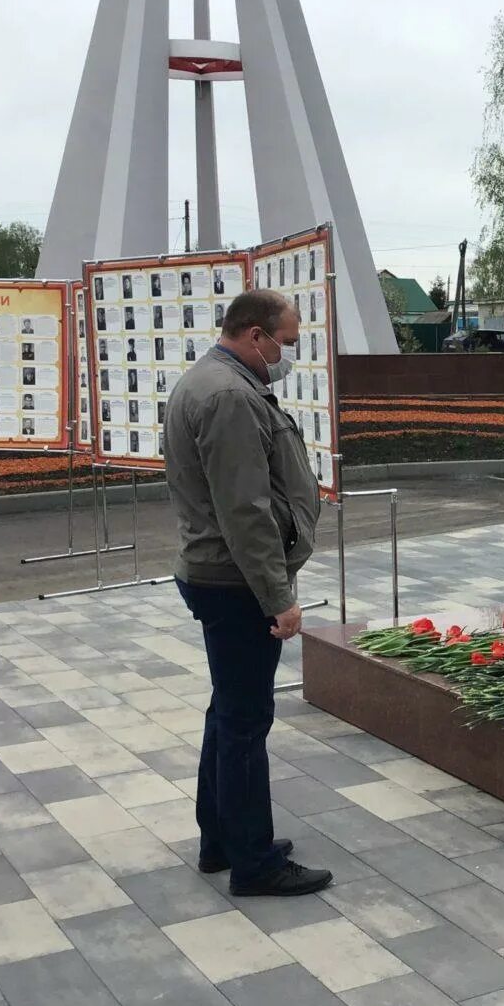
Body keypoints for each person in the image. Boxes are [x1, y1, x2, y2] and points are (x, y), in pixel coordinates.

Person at [164, 289, 331, 898]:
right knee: (245, 720)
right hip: (236, 581)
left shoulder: (215, 381)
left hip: (218, 572)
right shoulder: (231, 395)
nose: (288, 355)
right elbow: (246, 512)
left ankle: (222, 839)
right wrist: (277, 596)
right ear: (255, 335)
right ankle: (254, 862)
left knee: (229, 710)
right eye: (285, 343)